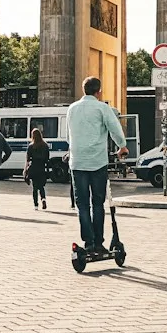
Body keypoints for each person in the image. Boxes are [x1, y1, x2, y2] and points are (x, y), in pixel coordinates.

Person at [65, 76, 128, 252]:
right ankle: (99, 242)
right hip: (97, 162)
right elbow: (114, 129)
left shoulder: (72, 108)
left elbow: (68, 135)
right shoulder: (102, 108)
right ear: (99, 91)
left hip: (77, 162)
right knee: (97, 203)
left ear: (83, 89)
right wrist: (122, 146)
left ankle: (88, 242)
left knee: (82, 204)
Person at [23, 128, 51, 209]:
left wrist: (25, 170)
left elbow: (28, 159)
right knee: (41, 186)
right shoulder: (45, 145)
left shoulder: (31, 146)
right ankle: (43, 199)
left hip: (33, 167)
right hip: (41, 168)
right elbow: (47, 158)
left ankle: (36, 205)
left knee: (35, 187)